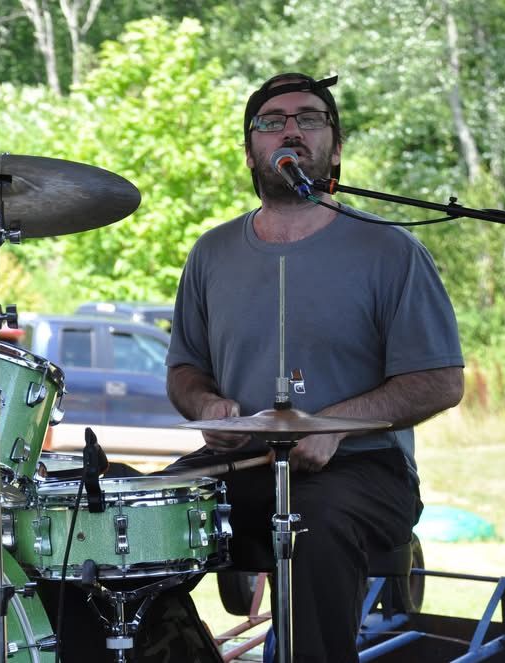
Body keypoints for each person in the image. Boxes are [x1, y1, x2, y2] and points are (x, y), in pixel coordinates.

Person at [165, 73, 464, 662]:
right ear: (249, 150)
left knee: (311, 523)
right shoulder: (211, 252)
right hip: (241, 464)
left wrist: (335, 426)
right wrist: (206, 405)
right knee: (117, 514)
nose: (291, 130)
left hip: (363, 469)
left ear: (337, 146)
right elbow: (185, 370)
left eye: (310, 118)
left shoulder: (392, 250)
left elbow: (439, 381)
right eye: (272, 121)